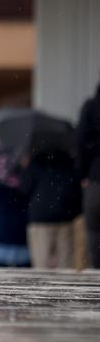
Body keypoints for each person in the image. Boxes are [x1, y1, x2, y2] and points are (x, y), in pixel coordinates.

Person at [23, 147, 82, 270]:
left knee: (41, 263)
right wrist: (71, 213)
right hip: (64, 217)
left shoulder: (35, 167)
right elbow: (77, 196)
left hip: (39, 219)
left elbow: (25, 191)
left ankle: (42, 287)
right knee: (65, 263)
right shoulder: (70, 168)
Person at [77, 76, 100, 269]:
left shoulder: (92, 106)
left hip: (96, 176)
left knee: (94, 230)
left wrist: (83, 174)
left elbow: (81, 143)